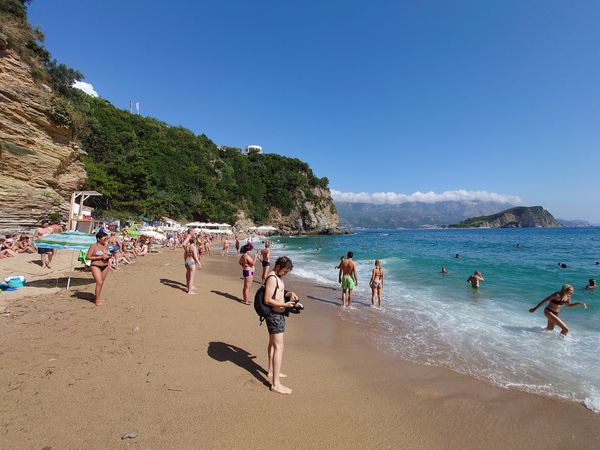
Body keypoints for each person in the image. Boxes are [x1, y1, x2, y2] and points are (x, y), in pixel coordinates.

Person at [263, 256, 299, 395]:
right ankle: (275, 384)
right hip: (274, 316)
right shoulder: (272, 277)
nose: (285, 273)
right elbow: (267, 299)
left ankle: (271, 371)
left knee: (273, 344)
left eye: (287, 272)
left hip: (277, 315)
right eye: (284, 271)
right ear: (277, 266)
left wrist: (289, 293)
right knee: (279, 347)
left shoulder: (276, 277)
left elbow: (277, 293)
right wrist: (284, 304)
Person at [86, 231, 112, 306]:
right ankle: (97, 300)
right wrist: (100, 257)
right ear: (98, 239)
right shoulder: (94, 246)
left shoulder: (106, 246)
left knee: (101, 283)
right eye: (104, 238)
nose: (106, 239)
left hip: (105, 265)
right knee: (99, 282)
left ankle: (97, 297)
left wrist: (109, 256)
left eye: (106, 238)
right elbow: (87, 257)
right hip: (95, 265)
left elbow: (108, 254)